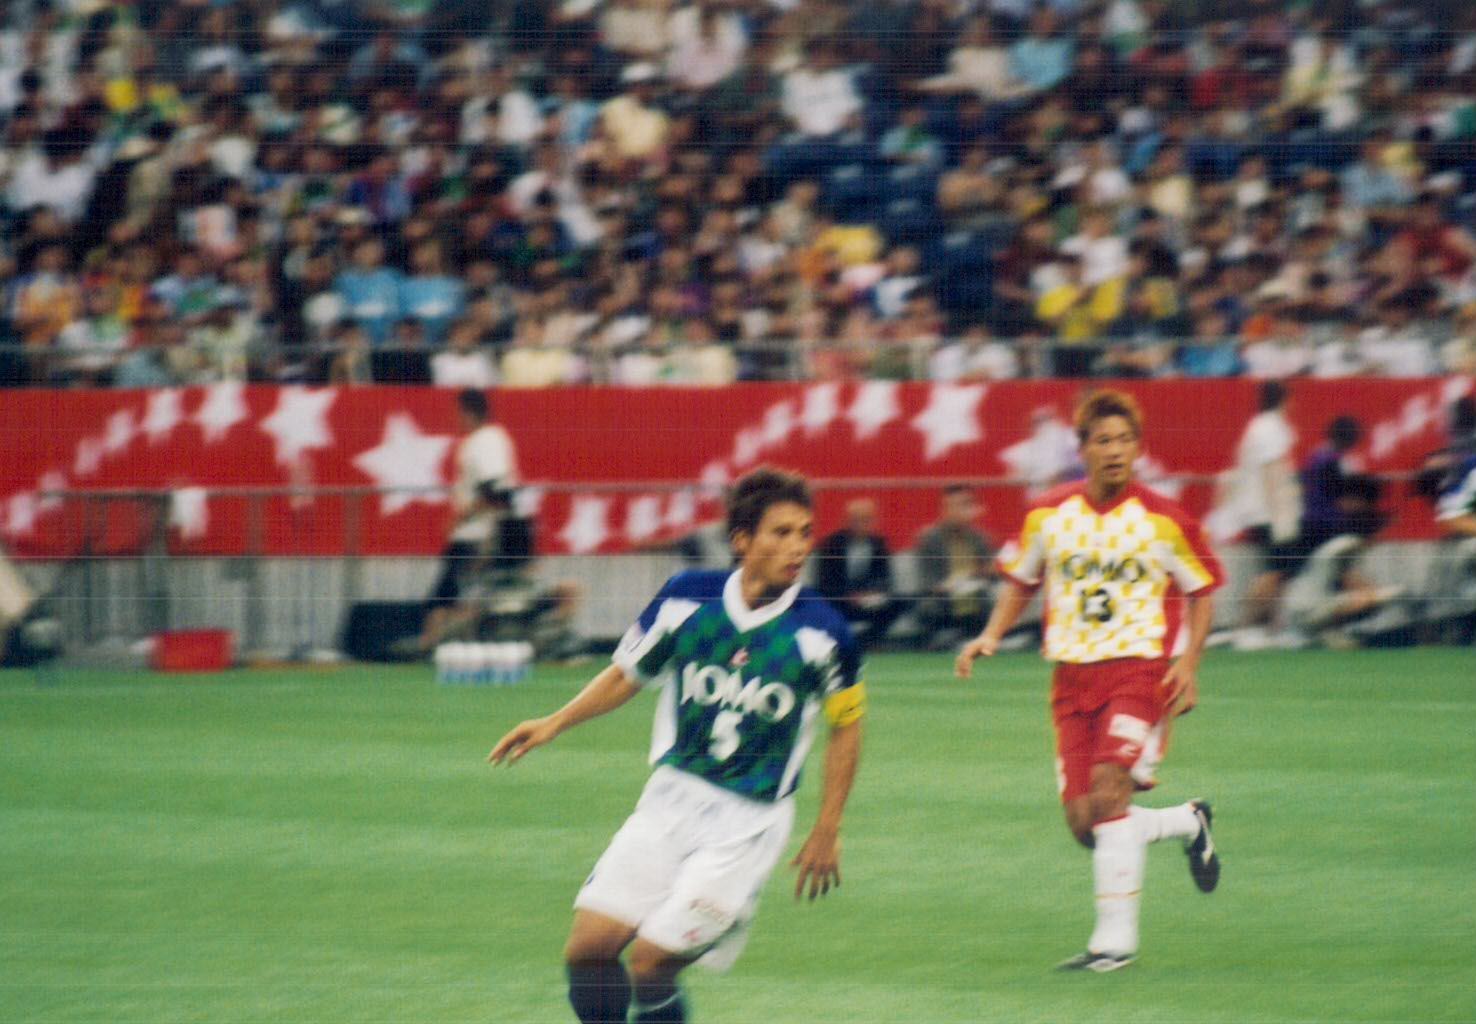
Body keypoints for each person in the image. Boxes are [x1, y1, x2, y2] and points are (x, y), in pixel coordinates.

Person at [489, 467, 867, 1024]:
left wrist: (828, 826)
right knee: (587, 953)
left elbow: (847, 726)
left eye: (804, 533)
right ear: (742, 540)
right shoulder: (686, 598)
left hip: (747, 824)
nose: (798, 547)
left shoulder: (825, 633)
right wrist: (555, 722)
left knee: (650, 964)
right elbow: (628, 674)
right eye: (781, 532)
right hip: (669, 801)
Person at [955, 389, 1224, 973]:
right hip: (1071, 680)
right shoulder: (1048, 513)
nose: (1115, 450)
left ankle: (1113, 946)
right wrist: (990, 634)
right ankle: (1187, 821)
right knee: (1087, 824)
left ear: (1138, 448)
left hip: (1139, 672)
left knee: (1108, 796)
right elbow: (1022, 580)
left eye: (1125, 440)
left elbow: (1202, 589)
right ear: (1083, 449)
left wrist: (1188, 664)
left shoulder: (1165, 519)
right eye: (1103, 440)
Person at [416, 388, 520, 651]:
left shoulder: (483, 441)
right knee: (456, 594)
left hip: (475, 533)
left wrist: (461, 517)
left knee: (448, 594)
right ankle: (442, 643)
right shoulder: (495, 438)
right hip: (481, 531)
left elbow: (495, 491)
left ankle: (432, 645)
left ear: (468, 412)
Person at [1227, 380, 1303, 644]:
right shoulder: (1269, 427)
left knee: (1279, 573)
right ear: (1284, 400)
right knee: (1273, 572)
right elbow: (1273, 473)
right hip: (1268, 512)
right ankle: (1243, 627)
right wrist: (1282, 514)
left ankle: (1275, 628)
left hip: (1264, 510)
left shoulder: (1263, 426)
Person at [814, 498, 910, 648]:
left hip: (869, 600)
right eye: (857, 520)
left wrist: (871, 593)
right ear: (847, 521)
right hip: (840, 600)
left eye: (867, 520)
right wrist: (849, 595)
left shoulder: (879, 544)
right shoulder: (831, 545)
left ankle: (865, 640)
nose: (862, 524)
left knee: (901, 602)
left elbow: (885, 578)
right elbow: (825, 581)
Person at [913, 485, 996, 648]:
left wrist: (984, 573)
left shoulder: (981, 538)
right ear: (944, 509)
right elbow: (927, 579)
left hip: (976, 595)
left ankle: (962, 639)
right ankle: (950, 638)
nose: (958, 511)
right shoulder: (930, 539)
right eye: (953, 506)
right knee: (929, 606)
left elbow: (990, 571)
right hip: (943, 598)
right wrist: (948, 586)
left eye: (964, 505)